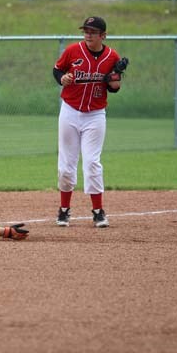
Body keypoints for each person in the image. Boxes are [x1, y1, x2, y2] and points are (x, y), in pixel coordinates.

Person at [52, 16, 128, 228]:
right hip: (69, 111)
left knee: (92, 163)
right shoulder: (72, 51)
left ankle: (98, 211)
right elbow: (57, 70)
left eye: (93, 32)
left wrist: (115, 75)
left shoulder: (112, 56)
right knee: (66, 164)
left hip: (95, 115)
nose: (88, 34)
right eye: (86, 30)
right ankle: (64, 210)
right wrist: (62, 79)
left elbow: (114, 89)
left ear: (103, 35)